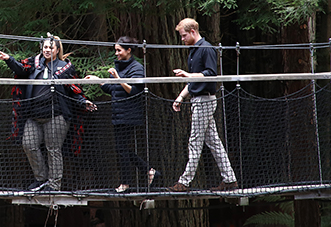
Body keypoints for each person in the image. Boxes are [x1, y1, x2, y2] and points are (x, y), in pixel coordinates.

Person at [0, 34, 97, 192]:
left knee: (53, 149)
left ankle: (54, 185)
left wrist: (83, 102)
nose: (47, 50)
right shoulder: (34, 63)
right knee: (28, 145)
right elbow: (21, 70)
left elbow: (74, 89)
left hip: (56, 116)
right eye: (45, 47)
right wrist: (9, 59)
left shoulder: (65, 67)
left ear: (57, 50)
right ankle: (41, 179)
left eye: (51, 47)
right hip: (33, 115)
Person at [167, 18, 238, 192]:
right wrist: (181, 97)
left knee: (195, 140)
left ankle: (184, 182)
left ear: (193, 32)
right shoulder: (193, 51)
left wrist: (188, 75)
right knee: (214, 142)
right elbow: (192, 79)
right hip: (197, 100)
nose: (182, 39)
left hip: (204, 101)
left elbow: (210, 74)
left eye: (184, 35)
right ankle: (230, 179)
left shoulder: (206, 49)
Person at [85, 36, 160, 193]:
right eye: (115, 50)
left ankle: (126, 183)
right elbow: (113, 89)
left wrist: (118, 78)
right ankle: (149, 171)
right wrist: (98, 80)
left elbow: (133, 91)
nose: (116, 53)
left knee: (122, 149)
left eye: (119, 50)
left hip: (129, 114)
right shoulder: (120, 66)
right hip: (118, 114)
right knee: (122, 149)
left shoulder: (137, 68)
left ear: (128, 50)